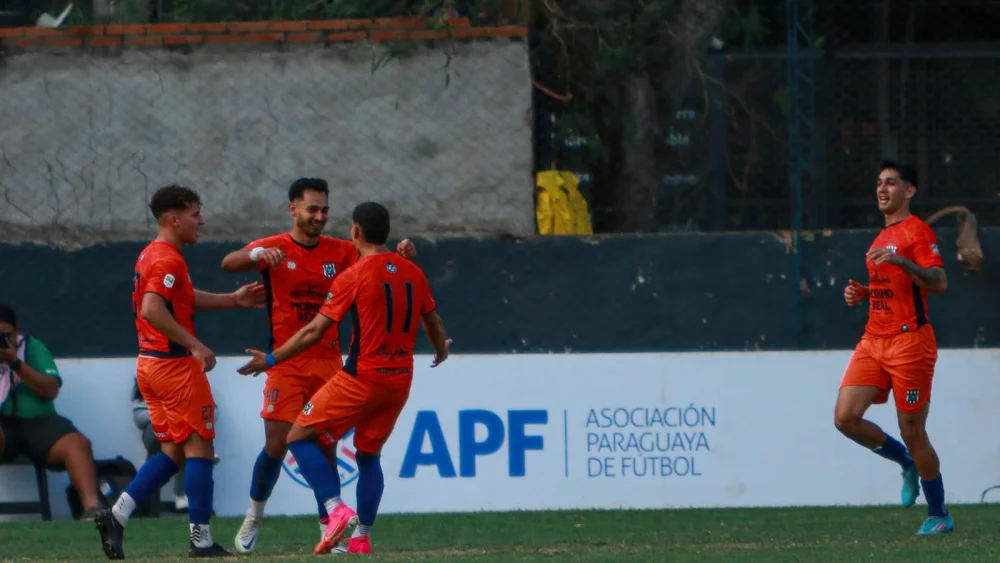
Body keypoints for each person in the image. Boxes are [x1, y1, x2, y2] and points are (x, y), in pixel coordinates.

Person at [238, 201, 450, 555]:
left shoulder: (354, 275)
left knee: (298, 437)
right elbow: (432, 319)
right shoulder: (412, 272)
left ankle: (335, 509)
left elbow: (314, 331)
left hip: (361, 375)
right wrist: (441, 350)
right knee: (368, 456)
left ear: (355, 232)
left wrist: (272, 358)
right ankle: (362, 537)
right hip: (399, 380)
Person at [94, 185, 265, 560]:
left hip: (151, 365)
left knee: (172, 453)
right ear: (174, 219)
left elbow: (182, 299)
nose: (201, 221)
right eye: (195, 214)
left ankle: (116, 514)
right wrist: (193, 344)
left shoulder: (155, 254)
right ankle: (201, 541)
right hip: (174, 367)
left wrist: (233, 300)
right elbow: (153, 309)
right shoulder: (166, 260)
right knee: (201, 448)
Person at [836, 161, 951, 536]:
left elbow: (938, 282)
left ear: (910, 191)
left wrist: (902, 260)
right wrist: (865, 294)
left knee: (913, 431)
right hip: (874, 339)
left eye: (891, 182)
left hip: (910, 343)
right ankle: (905, 463)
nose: (882, 189)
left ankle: (938, 513)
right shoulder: (879, 238)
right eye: (879, 183)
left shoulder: (917, 232)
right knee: (845, 418)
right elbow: (896, 290)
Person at [0, 302, 104, 519]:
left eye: (7, 335)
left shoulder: (31, 346)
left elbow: (50, 389)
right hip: (3, 423)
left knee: (78, 444)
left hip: (40, 421)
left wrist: (16, 363)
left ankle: (93, 510)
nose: (3, 341)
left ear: (16, 330)